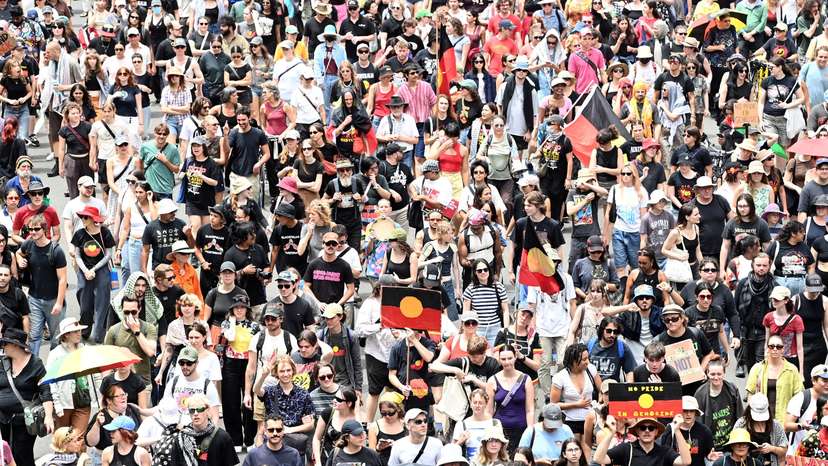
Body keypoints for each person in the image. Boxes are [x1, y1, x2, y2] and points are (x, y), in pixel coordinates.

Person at [0, 328, 54, 466]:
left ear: (16, 345)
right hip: (3, 419)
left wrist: (48, 416)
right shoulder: (3, 362)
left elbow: (45, 391)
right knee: (7, 454)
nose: (3, 346)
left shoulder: (36, 364)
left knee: (21, 454)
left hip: (25, 421)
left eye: (6, 343)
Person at [16, 213, 67, 355]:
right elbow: (18, 253)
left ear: (45, 229)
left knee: (57, 338)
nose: (33, 232)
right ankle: (34, 368)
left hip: (53, 300)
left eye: (36, 229)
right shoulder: (28, 244)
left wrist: (59, 303)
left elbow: (62, 279)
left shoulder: (56, 251)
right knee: (34, 336)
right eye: (30, 230)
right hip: (34, 299)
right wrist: (19, 259)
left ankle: (55, 369)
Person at [71, 206, 115, 343]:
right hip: (85, 270)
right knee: (85, 302)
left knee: (102, 304)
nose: (83, 220)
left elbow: (108, 255)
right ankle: (85, 329)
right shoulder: (79, 234)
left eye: (85, 217)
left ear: (93, 219)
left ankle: (99, 334)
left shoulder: (105, 232)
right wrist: (85, 270)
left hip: (101, 269)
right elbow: (77, 255)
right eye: (82, 217)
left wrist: (94, 269)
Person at [47, 318, 96, 432]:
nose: (79, 333)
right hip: (64, 403)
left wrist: (98, 396)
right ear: (66, 335)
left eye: (79, 331)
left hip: (83, 399)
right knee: (63, 440)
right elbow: (50, 380)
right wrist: (57, 403)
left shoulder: (85, 349)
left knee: (78, 438)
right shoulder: (56, 354)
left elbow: (94, 374)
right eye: (75, 331)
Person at [594, 416, 692, 466]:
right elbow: (598, 459)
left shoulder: (664, 451)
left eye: (651, 428)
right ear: (637, 431)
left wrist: (677, 430)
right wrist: (611, 432)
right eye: (642, 427)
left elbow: (686, 461)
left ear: (656, 431)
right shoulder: (627, 448)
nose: (647, 431)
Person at [179, 394, 239, 466]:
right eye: (192, 410)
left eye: (200, 409)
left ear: (207, 410)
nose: (195, 413)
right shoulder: (181, 438)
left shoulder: (222, 437)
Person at [732, 393, 788, 466]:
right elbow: (733, 446)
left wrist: (772, 448)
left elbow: (784, 450)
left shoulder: (775, 425)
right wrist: (750, 446)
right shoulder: (741, 424)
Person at [660, 396, 714, 466]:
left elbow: (708, 453)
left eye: (691, 411)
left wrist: (709, 457)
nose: (688, 414)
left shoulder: (704, 431)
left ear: (696, 413)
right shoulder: (670, 429)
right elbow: (664, 455)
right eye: (685, 410)